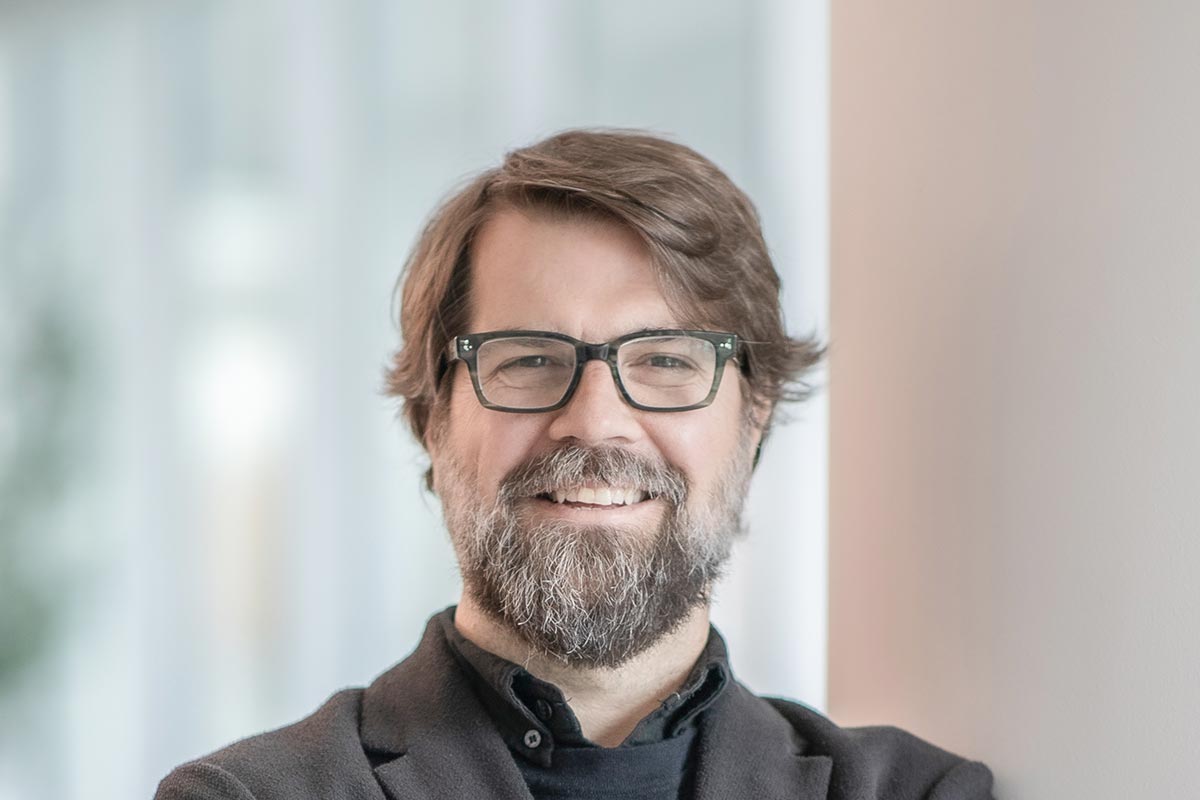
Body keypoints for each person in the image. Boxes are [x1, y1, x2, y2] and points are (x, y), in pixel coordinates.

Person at [156, 129, 994, 799]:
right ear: (431, 416)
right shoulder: (248, 796)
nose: (595, 420)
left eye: (667, 361)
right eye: (526, 359)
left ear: (754, 420)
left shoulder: (912, 793)